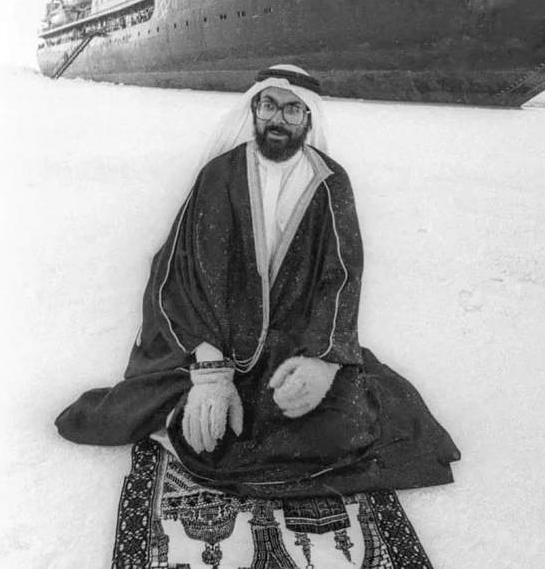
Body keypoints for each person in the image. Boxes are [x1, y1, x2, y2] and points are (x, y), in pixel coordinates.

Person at [56, 64, 460, 498]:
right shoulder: (220, 176)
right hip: (215, 343)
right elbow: (185, 276)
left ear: (309, 119)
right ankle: (183, 407)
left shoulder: (330, 182)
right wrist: (210, 374)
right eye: (269, 106)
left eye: (292, 110)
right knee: (207, 438)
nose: (278, 120)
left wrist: (321, 362)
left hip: (290, 346)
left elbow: (341, 278)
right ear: (255, 109)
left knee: (348, 425)